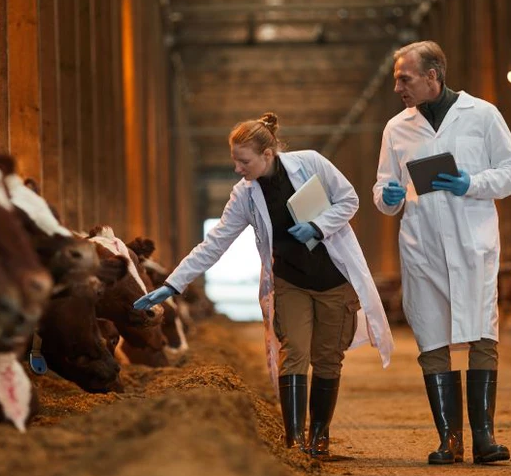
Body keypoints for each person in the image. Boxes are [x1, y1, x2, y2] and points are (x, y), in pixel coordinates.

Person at [135, 113, 393, 458]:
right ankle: (294, 440)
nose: (238, 169)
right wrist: (173, 284)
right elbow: (215, 242)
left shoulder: (312, 163)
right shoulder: (244, 195)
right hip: (290, 282)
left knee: (328, 358)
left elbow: (349, 200)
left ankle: (319, 437)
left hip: (334, 280)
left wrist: (317, 226)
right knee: (295, 353)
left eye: (244, 161)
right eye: (235, 161)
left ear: (267, 154)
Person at [373, 41, 511, 465]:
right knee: (432, 338)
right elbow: (384, 191)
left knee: (482, 333)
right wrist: (387, 196)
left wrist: (471, 184)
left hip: (472, 243)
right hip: (422, 248)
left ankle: (484, 439)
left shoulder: (482, 115)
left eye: (404, 79)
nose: (398, 88)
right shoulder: (396, 128)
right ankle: (449, 442)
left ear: (432, 76)